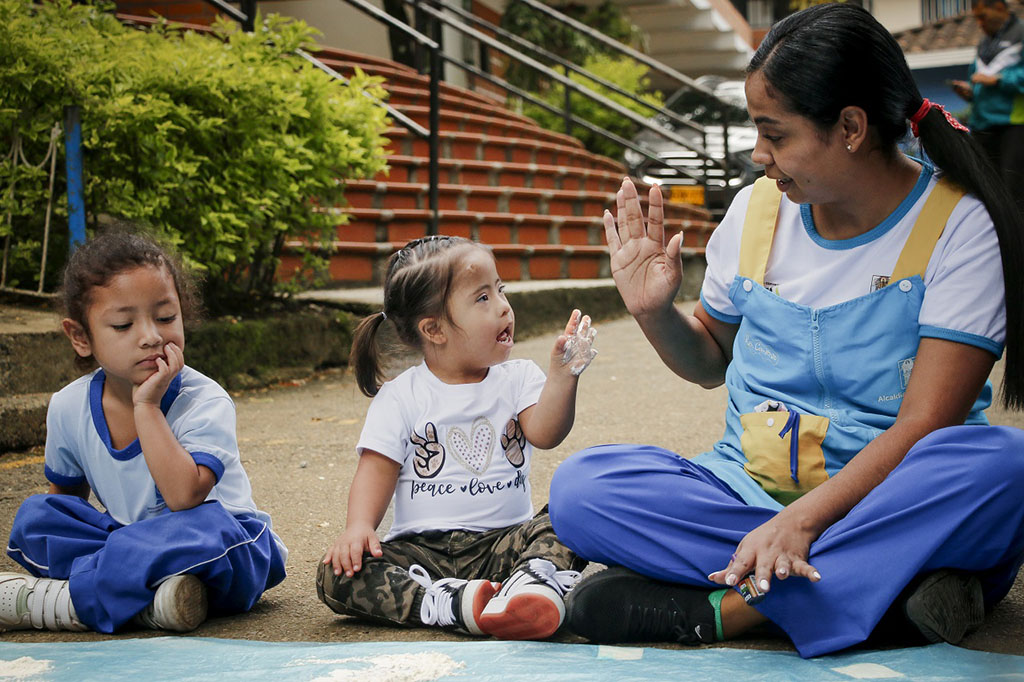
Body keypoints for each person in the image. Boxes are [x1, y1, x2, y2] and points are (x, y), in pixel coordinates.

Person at [548, 3, 1024, 659]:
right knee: (582, 490)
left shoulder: (959, 226)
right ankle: (882, 589)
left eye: (775, 134)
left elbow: (926, 425)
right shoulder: (755, 212)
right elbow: (710, 357)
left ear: (851, 127)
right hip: (747, 494)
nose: (757, 154)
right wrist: (655, 312)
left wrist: (804, 520)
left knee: (1005, 468)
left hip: (891, 500)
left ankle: (736, 609)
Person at [1, 231, 287, 634]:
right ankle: (150, 602)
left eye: (166, 317)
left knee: (209, 530)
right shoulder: (68, 406)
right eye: (123, 324)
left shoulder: (205, 400)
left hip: (222, 547)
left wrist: (147, 407)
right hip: (133, 543)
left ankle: (68, 604)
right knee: (36, 518)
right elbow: (67, 504)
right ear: (81, 337)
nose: (151, 335)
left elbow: (185, 497)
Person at [316, 235, 595, 640]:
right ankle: (448, 604)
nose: (502, 306)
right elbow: (375, 470)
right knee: (336, 572)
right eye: (482, 298)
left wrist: (562, 377)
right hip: (421, 554)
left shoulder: (518, 378)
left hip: (506, 543)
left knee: (573, 512)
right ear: (434, 329)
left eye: (501, 290)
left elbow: (546, 432)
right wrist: (358, 526)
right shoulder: (402, 396)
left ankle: (528, 586)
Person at [950, 0, 1024, 211]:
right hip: (982, 124)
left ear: (1000, 8)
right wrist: (970, 93)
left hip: (1013, 125)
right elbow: (979, 79)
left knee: (1014, 193)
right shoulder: (985, 43)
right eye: (976, 18)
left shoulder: (1020, 33)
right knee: (985, 192)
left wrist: (999, 80)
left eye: (983, 16)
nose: (979, 23)